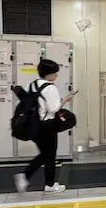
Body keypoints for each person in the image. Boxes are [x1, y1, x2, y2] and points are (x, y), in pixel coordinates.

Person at [14, 59, 74, 195]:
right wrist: (65, 100)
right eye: (54, 73)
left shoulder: (32, 84)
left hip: (34, 125)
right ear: (48, 74)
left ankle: (26, 176)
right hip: (47, 126)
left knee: (45, 154)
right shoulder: (51, 88)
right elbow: (53, 109)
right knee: (50, 155)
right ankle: (49, 185)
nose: (56, 76)